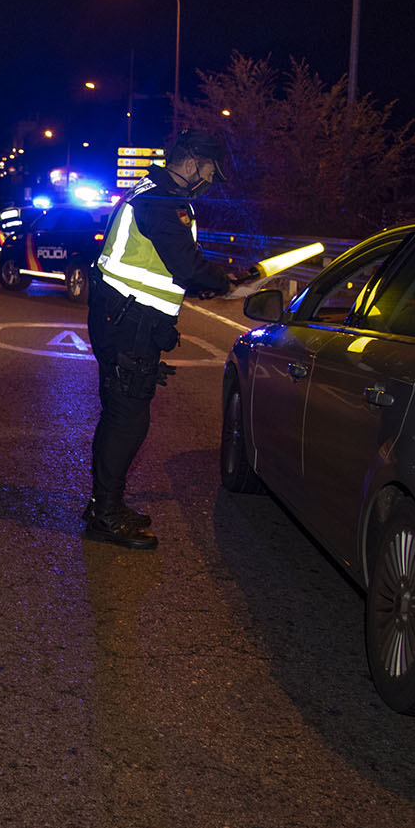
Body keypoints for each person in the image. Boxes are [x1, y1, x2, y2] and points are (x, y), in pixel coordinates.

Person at [84, 131, 253, 549]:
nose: (211, 180)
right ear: (193, 162)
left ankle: (105, 505)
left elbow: (169, 265)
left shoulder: (151, 191)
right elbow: (184, 262)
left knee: (121, 414)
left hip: (121, 315)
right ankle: (105, 515)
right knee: (127, 419)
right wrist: (222, 282)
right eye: (211, 171)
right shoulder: (161, 201)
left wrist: (211, 282)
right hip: (129, 321)